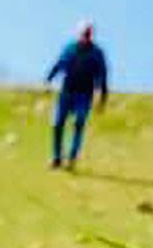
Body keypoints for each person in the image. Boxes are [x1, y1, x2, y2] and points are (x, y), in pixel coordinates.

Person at [45, 23, 108, 169]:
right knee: (57, 124)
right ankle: (56, 158)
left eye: (88, 34)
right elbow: (59, 64)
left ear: (91, 35)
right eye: (83, 33)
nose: (85, 36)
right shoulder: (70, 48)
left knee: (79, 123)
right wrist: (49, 79)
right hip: (66, 92)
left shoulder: (97, 53)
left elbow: (102, 76)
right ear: (79, 34)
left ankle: (72, 158)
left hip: (84, 96)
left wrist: (102, 99)